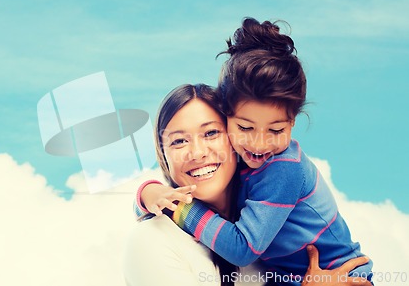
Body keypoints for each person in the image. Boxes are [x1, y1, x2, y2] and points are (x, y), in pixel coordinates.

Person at [133, 18, 374, 285]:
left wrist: (179, 207)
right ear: (228, 116)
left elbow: (241, 250)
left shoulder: (282, 169)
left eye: (275, 130)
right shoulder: (246, 167)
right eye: (246, 128)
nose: (259, 145)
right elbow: (153, 206)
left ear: (293, 122)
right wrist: (149, 193)